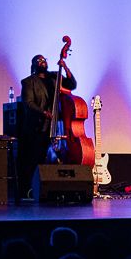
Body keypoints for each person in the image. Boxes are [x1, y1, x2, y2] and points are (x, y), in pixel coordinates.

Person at [20, 54, 77, 184]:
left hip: (55, 124)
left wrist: (65, 67)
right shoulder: (28, 81)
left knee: (59, 155)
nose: (42, 61)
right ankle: (34, 185)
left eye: (44, 59)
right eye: (38, 60)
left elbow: (72, 85)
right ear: (33, 65)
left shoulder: (55, 76)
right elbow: (28, 102)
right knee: (38, 156)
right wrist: (43, 112)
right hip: (37, 125)